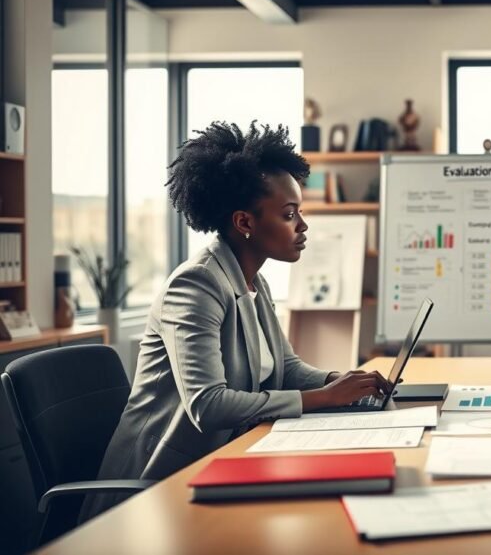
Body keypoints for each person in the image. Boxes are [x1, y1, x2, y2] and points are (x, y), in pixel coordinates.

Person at [82, 122, 389, 519]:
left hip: (224, 460)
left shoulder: (250, 278)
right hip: (158, 488)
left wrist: (339, 382)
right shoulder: (195, 285)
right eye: (289, 214)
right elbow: (207, 404)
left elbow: (286, 367)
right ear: (245, 222)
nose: (303, 225)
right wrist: (322, 399)